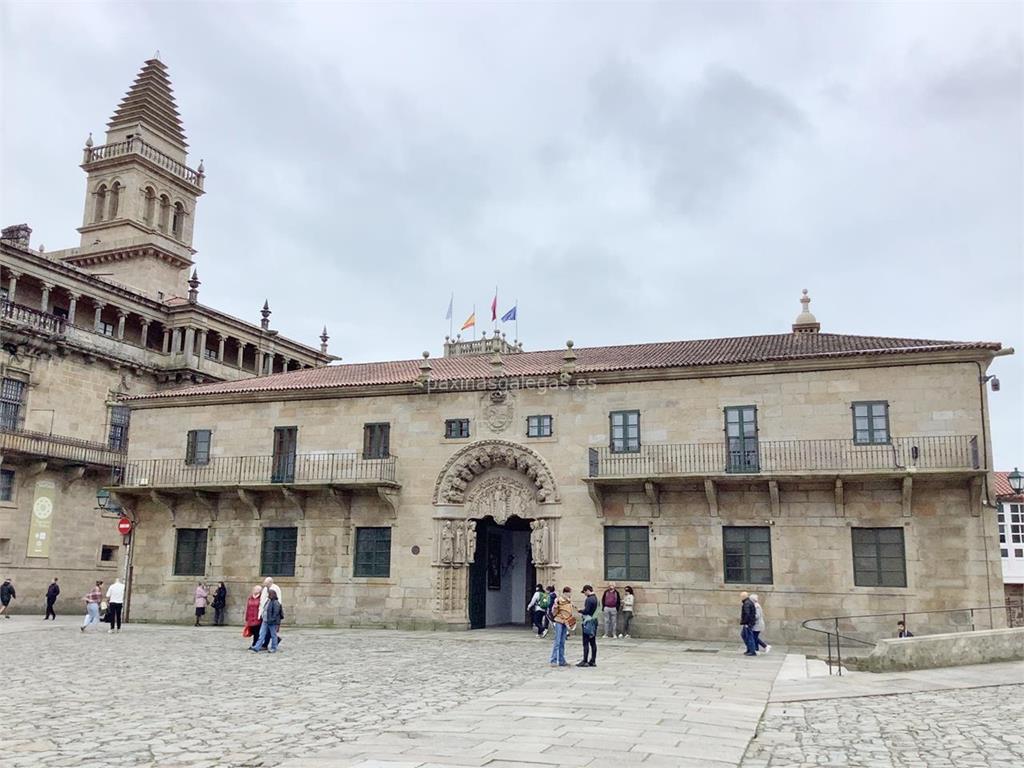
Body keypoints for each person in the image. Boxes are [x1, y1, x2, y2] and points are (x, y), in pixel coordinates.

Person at [549, 586, 574, 667]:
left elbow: (570, 612)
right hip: (559, 621)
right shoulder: (558, 600)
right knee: (557, 641)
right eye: (570, 592)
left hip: (566, 622)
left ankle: (562, 660)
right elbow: (553, 612)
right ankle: (553, 660)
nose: (570, 594)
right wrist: (555, 608)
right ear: (566, 592)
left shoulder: (569, 601)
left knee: (562, 642)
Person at [577, 584, 599, 667]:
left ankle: (585, 660)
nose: (584, 594)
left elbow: (586, 611)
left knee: (585, 642)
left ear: (587, 590)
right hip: (594, 621)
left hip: (588, 621)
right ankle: (593, 660)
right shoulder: (596, 598)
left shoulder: (589, 599)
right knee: (593, 642)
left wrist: (580, 610)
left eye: (584, 592)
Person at [740, 591, 758, 656]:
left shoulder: (746, 603)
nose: (740, 598)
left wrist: (746, 623)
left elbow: (747, 614)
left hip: (748, 623)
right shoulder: (748, 602)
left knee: (749, 637)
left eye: (741, 596)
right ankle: (749, 649)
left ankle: (752, 651)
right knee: (744, 635)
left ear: (743, 597)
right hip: (749, 622)